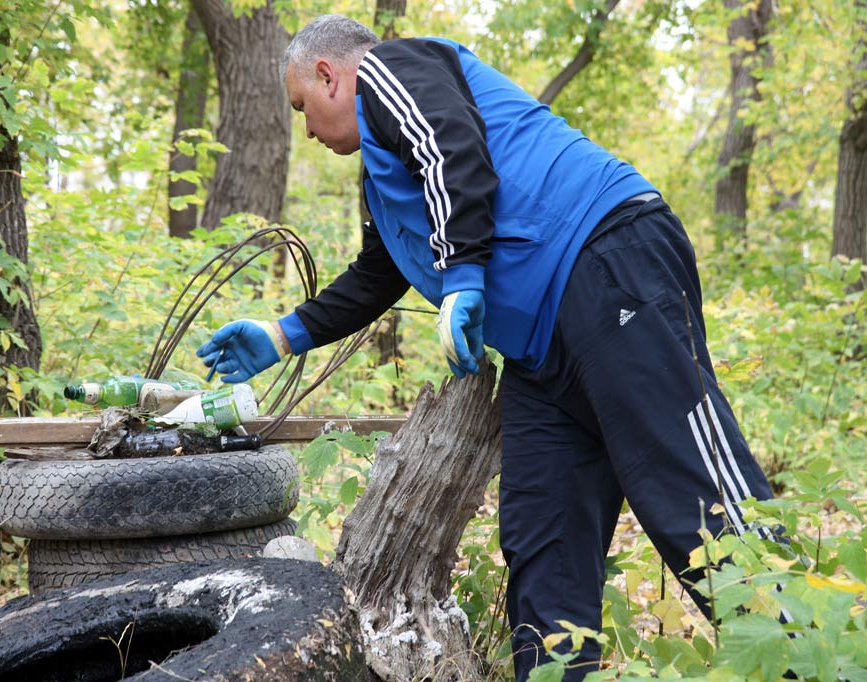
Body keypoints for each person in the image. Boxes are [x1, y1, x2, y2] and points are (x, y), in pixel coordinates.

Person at [197, 15, 777, 681]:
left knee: (694, 500)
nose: (305, 129)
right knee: (542, 536)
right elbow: (376, 276)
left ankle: (814, 651)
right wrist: (279, 336)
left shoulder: (394, 71)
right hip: (541, 350)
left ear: (330, 74)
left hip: (605, 263)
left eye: (303, 107)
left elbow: (454, 148)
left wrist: (465, 277)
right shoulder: (383, 179)